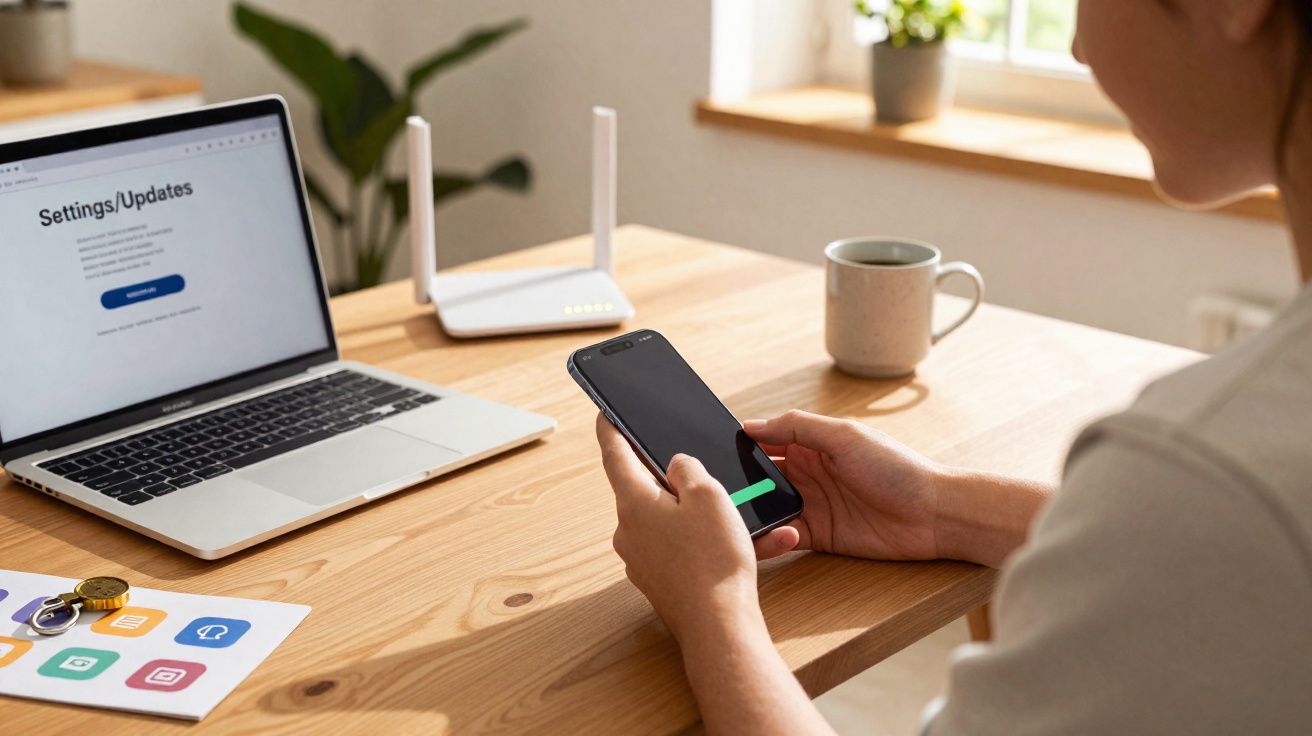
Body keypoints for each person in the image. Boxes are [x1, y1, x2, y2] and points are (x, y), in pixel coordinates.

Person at [595, 0, 1312, 733]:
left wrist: (712, 611)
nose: (1075, 47)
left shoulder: (1206, 471)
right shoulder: (1221, 488)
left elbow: (1202, 525)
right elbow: (1190, 555)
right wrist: (939, 507)